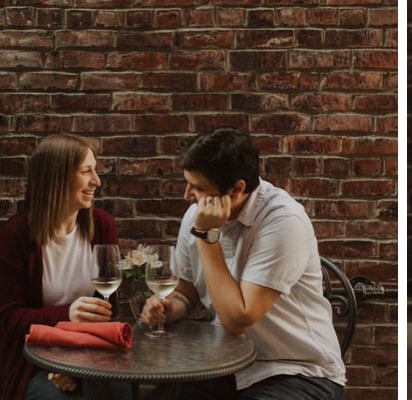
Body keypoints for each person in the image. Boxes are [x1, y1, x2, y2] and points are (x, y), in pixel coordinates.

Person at [141, 127, 346, 400]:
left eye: (199, 187)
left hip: (295, 371)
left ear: (237, 188)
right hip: (224, 367)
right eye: (188, 183)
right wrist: (169, 308)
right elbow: (186, 291)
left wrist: (206, 237)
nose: (187, 195)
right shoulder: (195, 215)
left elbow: (237, 320)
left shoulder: (284, 222)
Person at [0, 134, 131, 400]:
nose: (96, 181)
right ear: (58, 177)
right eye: (86, 171)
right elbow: (9, 318)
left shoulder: (102, 226)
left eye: (95, 170)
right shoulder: (17, 233)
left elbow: (108, 310)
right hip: (33, 359)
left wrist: (75, 367)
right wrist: (67, 314)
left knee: (119, 390)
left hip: (91, 354)